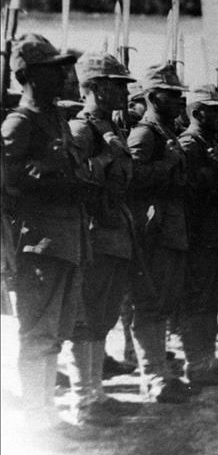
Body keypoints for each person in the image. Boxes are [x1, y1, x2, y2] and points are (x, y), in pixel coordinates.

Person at [2, 34, 88, 428]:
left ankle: (46, 411)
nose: (63, 76)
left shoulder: (55, 119)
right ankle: (35, 418)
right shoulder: (20, 123)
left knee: (55, 332)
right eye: (53, 69)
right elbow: (9, 184)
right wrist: (53, 182)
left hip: (66, 239)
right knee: (38, 331)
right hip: (39, 243)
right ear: (30, 75)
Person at [66, 52, 137, 425]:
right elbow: (74, 178)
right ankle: (84, 401)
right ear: (94, 87)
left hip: (115, 233)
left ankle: (97, 394)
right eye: (117, 85)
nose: (125, 91)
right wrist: (107, 157)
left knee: (104, 316)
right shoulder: (81, 130)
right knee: (87, 317)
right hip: (94, 235)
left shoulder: (111, 128)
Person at [126, 63, 195, 403]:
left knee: (164, 303)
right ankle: (153, 376)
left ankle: (159, 372)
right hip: (154, 234)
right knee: (150, 304)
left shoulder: (165, 132)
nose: (180, 101)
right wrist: (167, 163)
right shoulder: (144, 134)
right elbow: (133, 179)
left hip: (172, 230)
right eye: (172, 95)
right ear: (153, 97)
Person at [178, 84, 218, 386]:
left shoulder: (206, 143)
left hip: (213, 235)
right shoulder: (190, 145)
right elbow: (192, 193)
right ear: (198, 113)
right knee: (198, 301)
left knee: (210, 300)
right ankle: (196, 364)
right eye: (215, 111)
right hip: (199, 236)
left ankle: (207, 360)